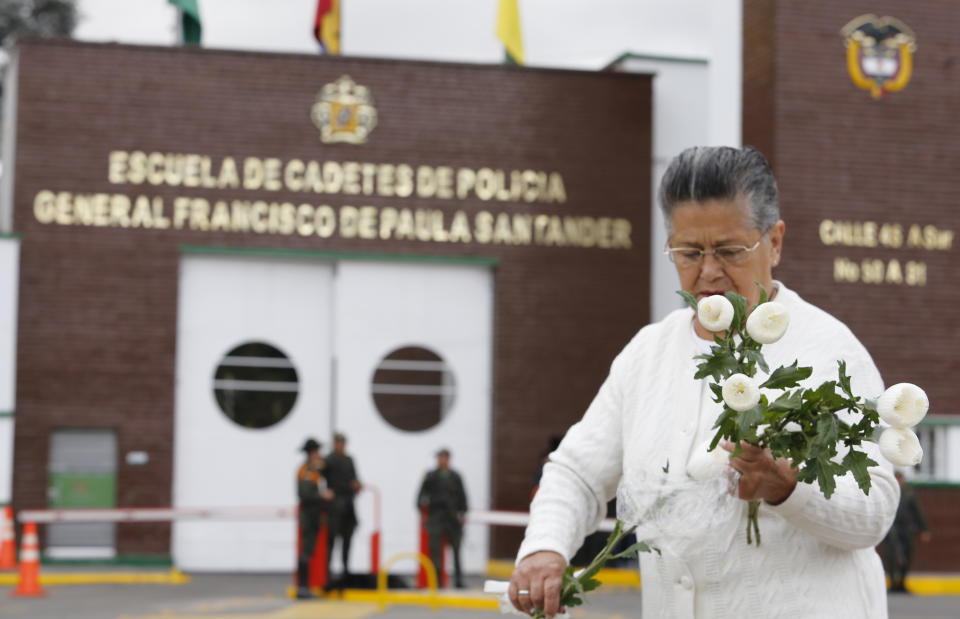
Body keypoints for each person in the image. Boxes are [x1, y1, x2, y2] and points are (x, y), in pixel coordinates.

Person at [508, 146, 900, 618]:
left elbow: (875, 509)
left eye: (730, 251)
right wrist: (545, 548)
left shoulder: (828, 351)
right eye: (689, 252)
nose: (709, 271)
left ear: (774, 242)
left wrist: (789, 489)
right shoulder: (647, 355)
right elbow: (577, 473)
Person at [417, 447, 468, 588]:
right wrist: (424, 514)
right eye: (440, 457)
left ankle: (458, 581)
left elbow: (462, 496)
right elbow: (421, 497)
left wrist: (462, 513)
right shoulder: (431, 476)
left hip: (452, 518)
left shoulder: (455, 476)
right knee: (435, 552)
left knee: (456, 550)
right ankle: (437, 582)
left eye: (444, 457)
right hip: (436, 517)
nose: (442, 460)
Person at [296, 437, 333, 599]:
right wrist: (322, 495)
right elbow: (305, 494)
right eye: (317, 451)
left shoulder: (313, 469)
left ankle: (305, 587)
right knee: (307, 549)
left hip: (313, 513)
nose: (319, 454)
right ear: (311, 453)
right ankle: (302, 588)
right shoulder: (307, 471)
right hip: (309, 514)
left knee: (309, 550)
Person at [883, 471, 931, 593]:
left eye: (900, 479)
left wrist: (924, 528)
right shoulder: (888, 494)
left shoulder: (909, 494)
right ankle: (893, 583)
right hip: (892, 530)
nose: (899, 482)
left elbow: (917, 512)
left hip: (906, 530)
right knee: (891, 557)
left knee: (907, 556)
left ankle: (902, 583)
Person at [324, 432, 362, 583]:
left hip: (348, 503)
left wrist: (356, 484)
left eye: (342, 443)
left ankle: (345, 571)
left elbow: (354, 478)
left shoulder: (349, 460)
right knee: (332, 540)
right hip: (334, 505)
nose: (340, 445)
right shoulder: (328, 460)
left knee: (347, 539)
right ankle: (327, 572)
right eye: (338, 442)